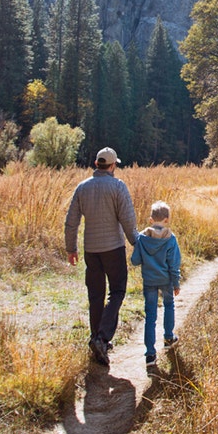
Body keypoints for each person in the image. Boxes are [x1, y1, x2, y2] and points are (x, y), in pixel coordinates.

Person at [65, 147, 137, 366]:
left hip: (91, 250)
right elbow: (128, 219)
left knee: (95, 295)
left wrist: (71, 248)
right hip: (113, 248)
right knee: (117, 291)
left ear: (97, 164)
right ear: (113, 165)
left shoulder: (82, 188)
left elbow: (71, 221)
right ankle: (102, 338)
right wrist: (137, 244)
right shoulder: (117, 186)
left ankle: (96, 339)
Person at [131, 200, 182, 366]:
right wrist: (176, 283)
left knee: (150, 316)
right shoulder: (170, 239)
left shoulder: (142, 238)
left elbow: (135, 260)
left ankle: (150, 354)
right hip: (166, 280)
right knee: (169, 306)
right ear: (167, 220)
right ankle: (168, 337)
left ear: (151, 219)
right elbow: (174, 264)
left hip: (149, 281)